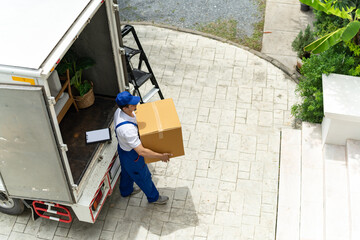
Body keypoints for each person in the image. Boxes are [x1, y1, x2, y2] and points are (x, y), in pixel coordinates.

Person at [114, 91, 172, 204]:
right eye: (133, 105)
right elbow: (141, 151)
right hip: (132, 155)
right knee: (143, 177)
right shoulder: (127, 130)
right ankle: (154, 198)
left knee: (126, 172)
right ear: (125, 108)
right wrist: (161, 156)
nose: (136, 105)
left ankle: (126, 191)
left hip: (123, 149)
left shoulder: (119, 111)